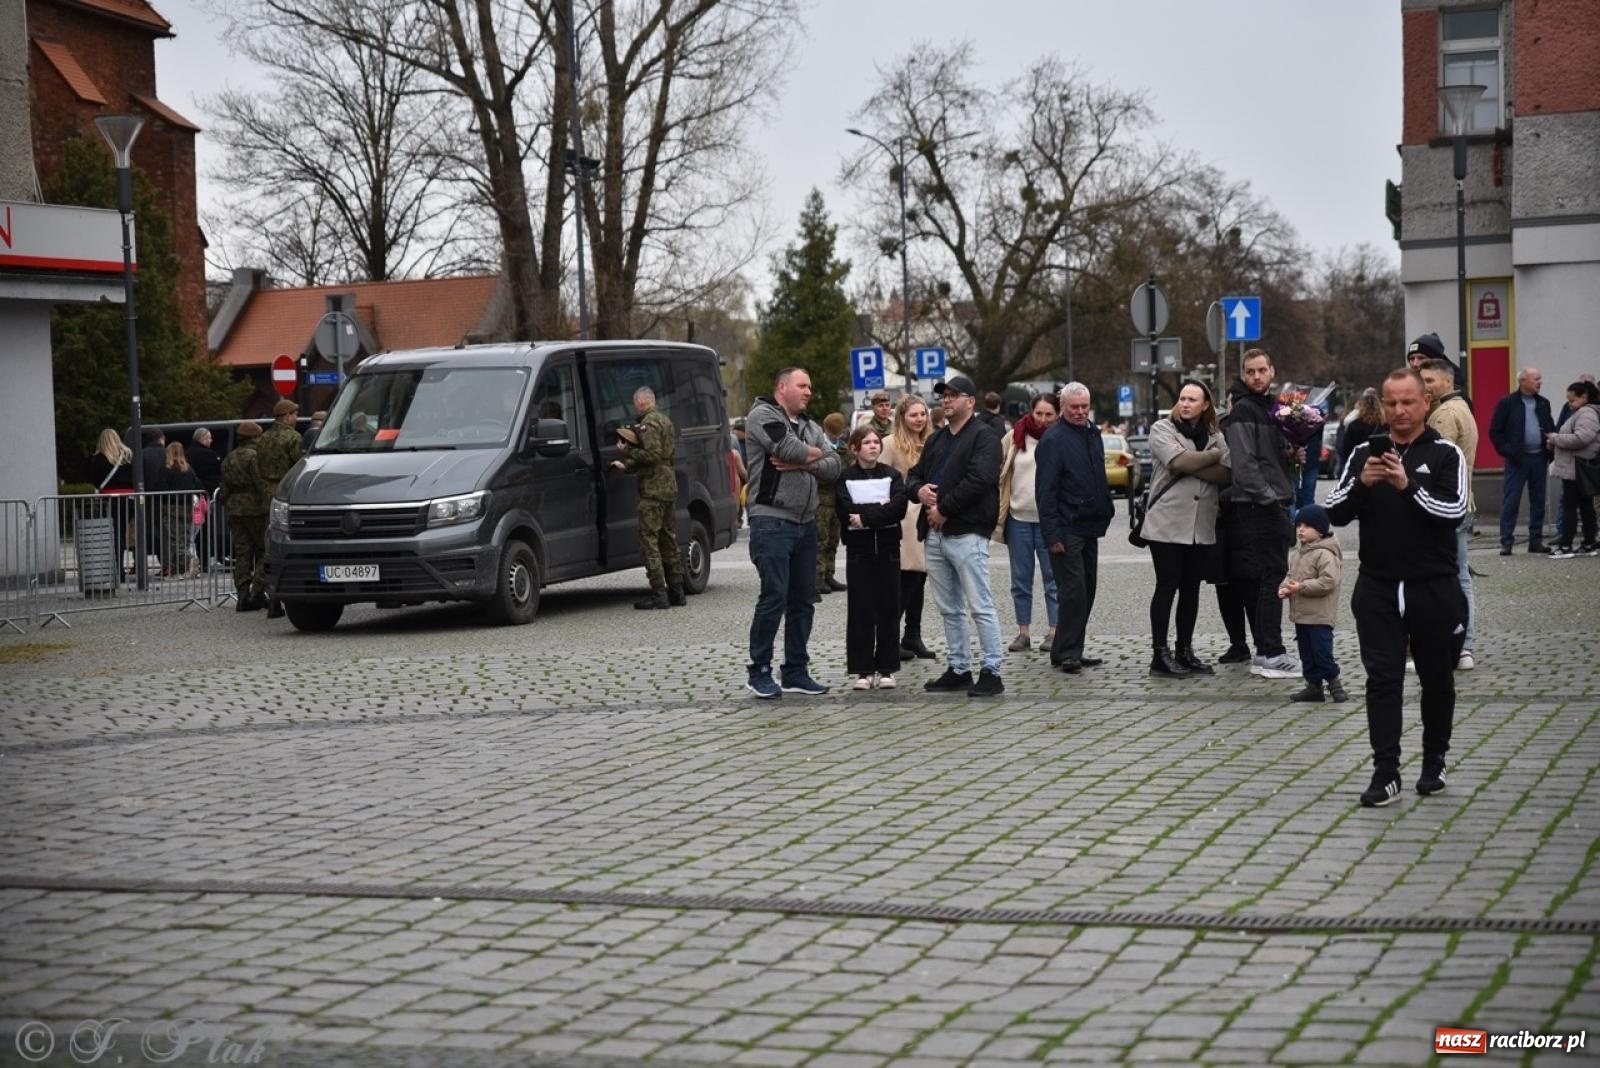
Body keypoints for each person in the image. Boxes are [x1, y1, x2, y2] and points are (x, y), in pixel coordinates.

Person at [1326, 368, 1468, 807]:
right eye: (1392, 403)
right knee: (1382, 679)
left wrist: (1407, 485)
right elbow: (1333, 510)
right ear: (1382, 406)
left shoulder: (1445, 454)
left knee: (1436, 679)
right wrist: (1362, 488)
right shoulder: (1363, 454)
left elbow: (1456, 511)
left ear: (1426, 403)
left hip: (1433, 586)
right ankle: (1385, 771)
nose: (1400, 411)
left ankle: (1435, 758)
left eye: (1409, 402)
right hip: (1379, 586)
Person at [742, 367, 841, 698]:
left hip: (805, 523)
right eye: (802, 385)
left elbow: (835, 464)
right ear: (782, 387)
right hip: (771, 521)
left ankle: (795, 671)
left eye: (810, 386)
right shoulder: (762, 415)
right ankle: (759, 670)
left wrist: (805, 463)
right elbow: (790, 450)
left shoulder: (811, 425)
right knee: (775, 595)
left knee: (803, 600)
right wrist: (811, 456)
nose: (808, 391)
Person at [906, 374, 1005, 697]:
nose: (946, 400)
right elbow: (913, 475)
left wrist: (945, 509)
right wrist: (918, 490)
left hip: (966, 532)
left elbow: (980, 479)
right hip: (934, 534)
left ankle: (991, 670)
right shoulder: (936, 439)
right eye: (944, 396)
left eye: (954, 395)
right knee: (949, 607)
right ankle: (959, 667)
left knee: (980, 604)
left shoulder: (984, 437)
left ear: (970, 401)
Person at [1218, 348, 1300, 680]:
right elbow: (1245, 467)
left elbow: (1270, 459)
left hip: (1274, 499)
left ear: (1272, 371)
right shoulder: (1242, 412)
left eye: (1261, 370)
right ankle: (1270, 652)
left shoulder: (1275, 410)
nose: (1256, 376)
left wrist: (1293, 453)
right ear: (1243, 373)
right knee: (1271, 577)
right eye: (1250, 371)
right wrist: (1270, 501)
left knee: (1271, 577)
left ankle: (1268, 650)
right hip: (1259, 504)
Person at [1142, 380, 1231, 678]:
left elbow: (1225, 472)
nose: (1186, 403)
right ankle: (1159, 654)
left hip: (1199, 524)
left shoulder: (1214, 434)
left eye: (1193, 399)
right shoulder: (1162, 429)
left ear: (1206, 405)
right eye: (1182, 398)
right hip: (1166, 523)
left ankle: (1185, 650)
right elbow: (1178, 461)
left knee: (1191, 589)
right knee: (1167, 585)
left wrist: (1194, 463)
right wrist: (1210, 456)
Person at [1037, 382, 1115, 675]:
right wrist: (1052, 534)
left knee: (1087, 589)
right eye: (1074, 407)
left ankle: (1069, 648)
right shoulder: (1053, 440)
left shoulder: (1092, 432)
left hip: (1089, 523)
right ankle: (1068, 652)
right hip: (1066, 524)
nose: (1081, 412)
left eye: (1085, 406)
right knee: (1073, 591)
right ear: (1063, 407)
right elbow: (1045, 491)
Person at [1419, 357, 1480, 670]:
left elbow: (1433, 465)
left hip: (1446, 506)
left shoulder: (1444, 413)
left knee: (1447, 578)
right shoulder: (1461, 408)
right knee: (1459, 575)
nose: (1424, 386)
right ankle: (1462, 647)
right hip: (1462, 502)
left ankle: (1456, 646)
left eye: (1429, 380)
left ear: (1447, 381)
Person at [836, 425, 908, 689]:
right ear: (855, 448)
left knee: (889, 607)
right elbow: (845, 509)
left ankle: (887, 667)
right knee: (861, 609)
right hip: (859, 552)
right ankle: (862, 670)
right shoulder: (846, 478)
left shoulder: (892, 475)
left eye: (876, 442)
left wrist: (866, 517)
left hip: (888, 550)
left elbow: (898, 508)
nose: (873, 446)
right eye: (866, 442)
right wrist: (879, 509)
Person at [996, 392, 1059, 653]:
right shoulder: (1014, 437)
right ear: (1030, 412)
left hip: (1049, 521)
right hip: (1018, 518)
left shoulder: (1060, 438)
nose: (1043, 420)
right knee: (1020, 579)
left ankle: (1055, 631)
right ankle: (1023, 632)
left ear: (1057, 415)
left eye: (1049, 414)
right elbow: (1001, 472)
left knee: (1053, 579)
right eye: (1039, 414)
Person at [610, 386, 685, 609]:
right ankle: (677, 592)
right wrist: (628, 466)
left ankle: (659, 594)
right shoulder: (665, 421)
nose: (635, 407)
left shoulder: (647, 424)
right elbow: (662, 456)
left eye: (635, 403)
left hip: (653, 490)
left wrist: (627, 452)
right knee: (669, 540)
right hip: (668, 486)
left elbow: (652, 455)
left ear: (642, 402)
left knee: (649, 542)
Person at [881, 394, 936, 662]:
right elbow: (880, 480)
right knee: (906, 581)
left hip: (928, 517)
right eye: (913, 415)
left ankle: (912, 635)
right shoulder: (890, 444)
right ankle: (888, 639)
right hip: (903, 518)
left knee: (921, 579)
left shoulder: (932, 442)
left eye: (923, 414)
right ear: (902, 417)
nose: (919, 419)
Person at [1277, 504, 1348, 703]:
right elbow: (1291, 576)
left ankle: (1334, 682)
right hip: (1301, 616)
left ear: (1320, 529)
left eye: (1307, 526)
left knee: (1322, 652)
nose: (1301, 529)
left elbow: (1328, 582)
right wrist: (1284, 587)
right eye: (1299, 525)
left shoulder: (1325, 554)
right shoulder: (1298, 554)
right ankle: (1313, 686)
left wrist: (1300, 587)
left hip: (1320, 616)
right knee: (1307, 654)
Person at [1488, 367, 1555, 554]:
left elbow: (1550, 425)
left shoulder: (1543, 403)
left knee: (1539, 501)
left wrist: (1550, 445)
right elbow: (1495, 431)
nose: (1540, 382)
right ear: (1522, 381)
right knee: (1511, 500)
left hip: (1539, 458)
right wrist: (1507, 451)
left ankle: (1535, 541)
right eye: (1536, 379)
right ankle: (1506, 542)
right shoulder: (1507, 403)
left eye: (1540, 378)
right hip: (1517, 460)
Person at [256, 399, 304, 618]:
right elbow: (300, 467)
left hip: (265, 491)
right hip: (285, 492)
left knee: (268, 543)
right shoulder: (292, 437)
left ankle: (267, 595)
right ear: (286, 416)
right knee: (283, 542)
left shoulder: (262, 438)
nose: (296, 418)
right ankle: (278, 597)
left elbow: (256, 467)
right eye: (294, 414)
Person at [1545, 380, 1600, 557]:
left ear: (1584, 397)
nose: (1569, 404)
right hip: (1576, 465)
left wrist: (1555, 438)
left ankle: (1566, 545)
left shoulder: (1586, 413)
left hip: (1575, 466)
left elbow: (1582, 438)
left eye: (1572, 400)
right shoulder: (1584, 412)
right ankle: (1590, 542)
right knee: (1585, 506)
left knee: (1569, 506)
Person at [219, 420, 267, 611]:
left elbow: (224, 489)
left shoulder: (229, 458)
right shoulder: (255, 456)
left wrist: (228, 503)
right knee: (263, 550)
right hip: (254, 507)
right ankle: (258, 590)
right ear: (255, 436)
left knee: (242, 553)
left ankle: (242, 595)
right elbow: (260, 482)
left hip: (234, 508)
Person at [86, 428, 135, 577]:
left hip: (109, 500)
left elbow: (94, 480)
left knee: (113, 534)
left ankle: (116, 568)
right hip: (129, 499)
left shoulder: (98, 458)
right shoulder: (127, 455)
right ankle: (124, 568)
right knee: (125, 532)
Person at [814, 411, 849, 597]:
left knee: (833, 540)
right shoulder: (820, 446)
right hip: (821, 501)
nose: (836, 435)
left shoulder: (843, 448)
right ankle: (817, 578)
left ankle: (829, 575)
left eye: (838, 432)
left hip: (837, 501)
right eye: (832, 432)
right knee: (821, 540)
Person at [159, 441, 204, 577]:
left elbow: (160, 488)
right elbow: (198, 485)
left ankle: (183, 566)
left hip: (171, 508)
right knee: (184, 539)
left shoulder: (166, 469)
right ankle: (189, 562)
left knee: (174, 539)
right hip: (187, 508)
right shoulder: (188, 469)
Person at [188, 428, 222, 572]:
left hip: (193, 497)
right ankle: (205, 562)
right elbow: (218, 471)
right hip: (207, 496)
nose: (211, 440)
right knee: (206, 529)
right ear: (202, 438)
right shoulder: (209, 455)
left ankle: (196, 561)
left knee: (194, 531)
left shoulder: (188, 453)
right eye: (209, 438)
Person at [1336, 388, 1386, 478]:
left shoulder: (1354, 425)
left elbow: (1346, 449)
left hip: (1358, 465)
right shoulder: (1384, 425)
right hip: (1378, 465)